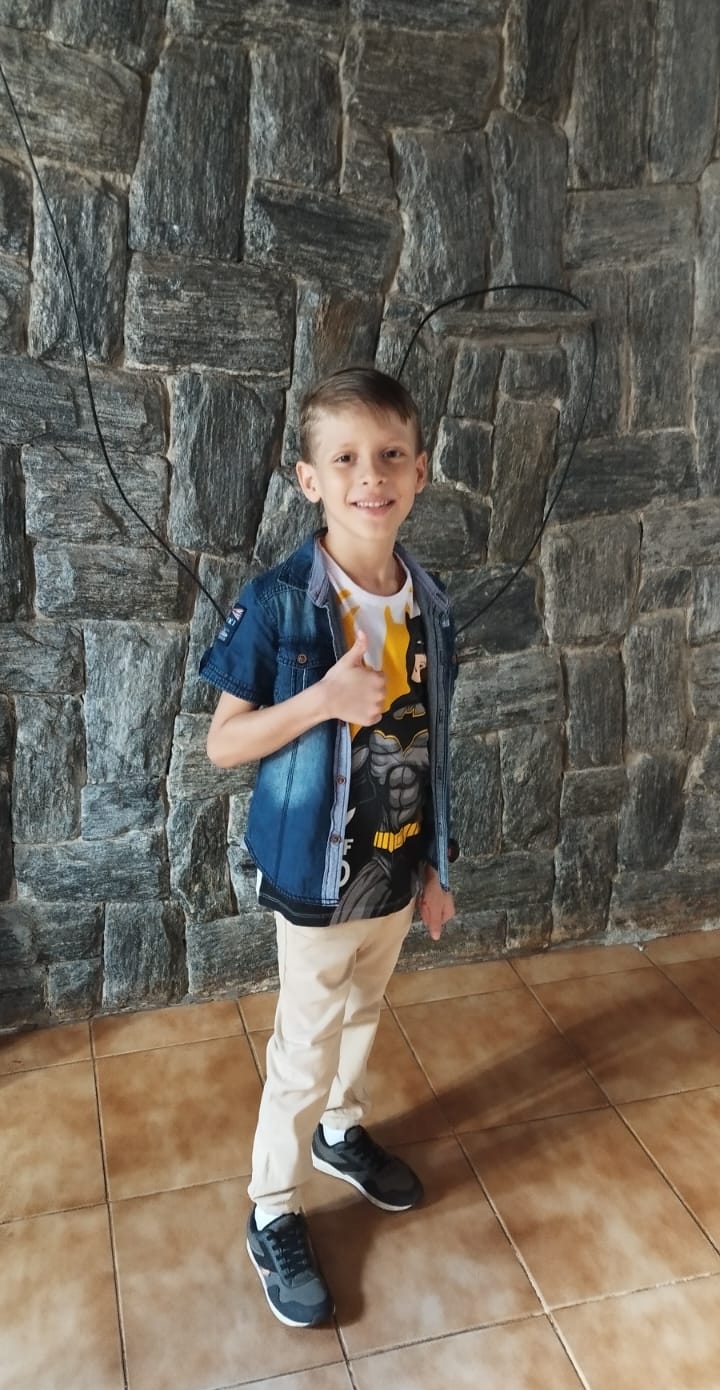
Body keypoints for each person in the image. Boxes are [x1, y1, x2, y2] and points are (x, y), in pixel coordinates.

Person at [199, 365, 457, 1328]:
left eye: (390, 455)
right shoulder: (280, 603)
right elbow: (225, 743)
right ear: (310, 479)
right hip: (317, 872)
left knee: (364, 1012)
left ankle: (340, 1135)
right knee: (303, 1049)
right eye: (344, 458)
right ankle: (272, 1207)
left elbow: (434, 746)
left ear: (420, 470)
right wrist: (320, 701)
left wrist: (434, 866)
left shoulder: (429, 601)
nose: (370, 476)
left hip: (394, 865)